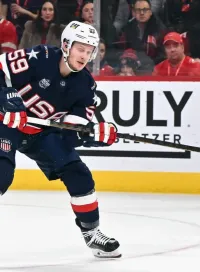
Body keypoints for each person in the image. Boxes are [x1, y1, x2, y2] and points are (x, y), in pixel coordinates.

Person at [0, 20, 121, 258]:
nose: (84, 55)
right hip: (6, 124)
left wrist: (93, 134)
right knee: (2, 172)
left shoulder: (85, 84)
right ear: (66, 45)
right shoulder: (40, 56)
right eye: (80, 48)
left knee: (78, 172)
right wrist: (8, 98)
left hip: (40, 134)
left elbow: (70, 131)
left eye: (89, 51)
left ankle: (92, 232)